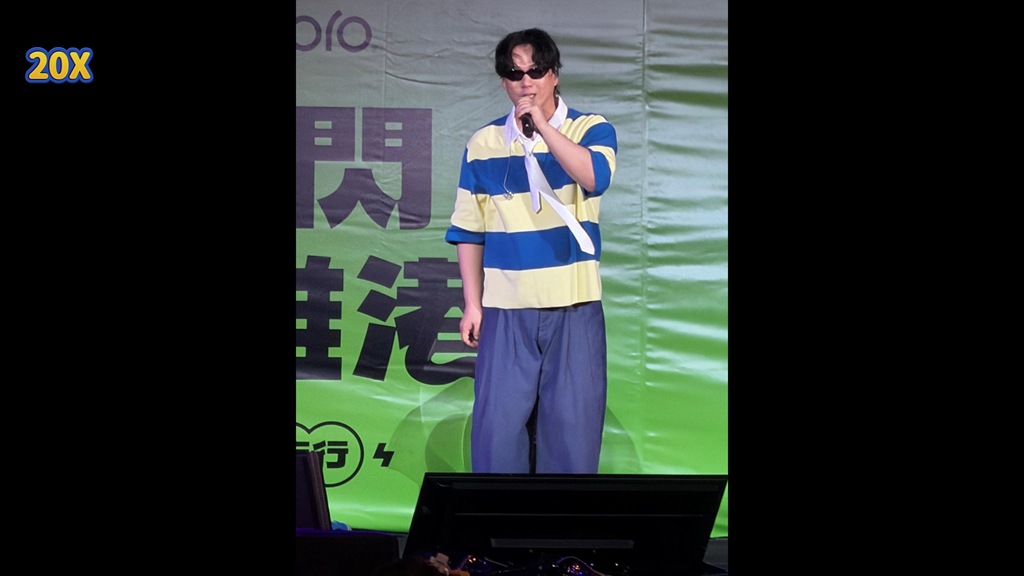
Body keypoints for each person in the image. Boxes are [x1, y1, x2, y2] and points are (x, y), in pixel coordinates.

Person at [445, 28, 618, 474]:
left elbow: (595, 177)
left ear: (554, 74)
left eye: (536, 71)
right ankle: (497, 523)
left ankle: (564, 523)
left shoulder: (590, 128)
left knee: (572, 436)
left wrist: (542, 127)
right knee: (496, 436)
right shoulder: (483, 143)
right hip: (506, 308)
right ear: (503, 80)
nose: (526, 82)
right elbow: (469, 230)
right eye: (514, 72)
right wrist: (472, 304)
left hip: (573, 305)